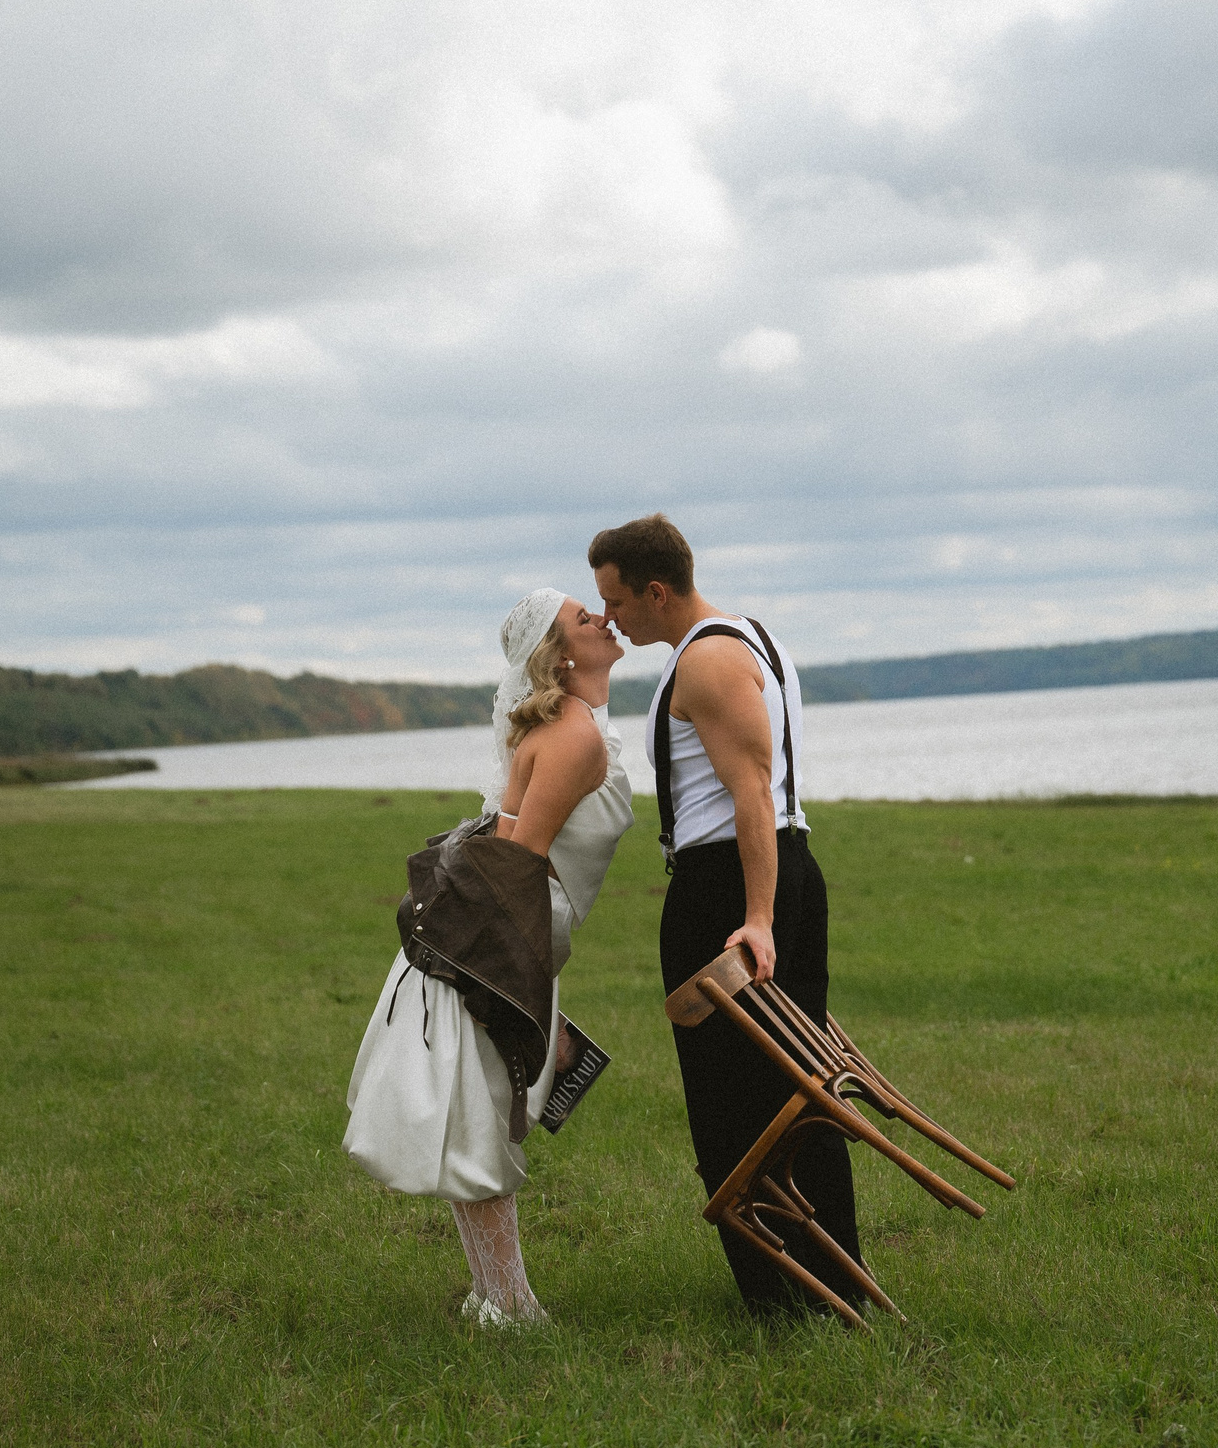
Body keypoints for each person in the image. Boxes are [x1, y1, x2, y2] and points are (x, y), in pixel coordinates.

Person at [589, 514, 867, 1316]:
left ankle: (788, 1296)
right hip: (767, 876)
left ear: (656, 591)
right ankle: (824, 1279)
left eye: (616, 601)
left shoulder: (707, 661)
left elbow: (754, 794)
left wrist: (758, 917)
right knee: (792, 1086)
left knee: (740, 1104)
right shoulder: (745, 636)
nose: (610, 617)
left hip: (733, 889)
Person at [343, 589, 632, 1325]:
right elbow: (517, 865)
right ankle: (510, 1304)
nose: (603, 619)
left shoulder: (571, 725)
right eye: (584, 619)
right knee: (476, 1120)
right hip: (502, 937)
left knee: (473, 1112)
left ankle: (495, 1295)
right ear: (559, 657)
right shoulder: (573, 737)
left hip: (513, 929)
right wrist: (507, 987)